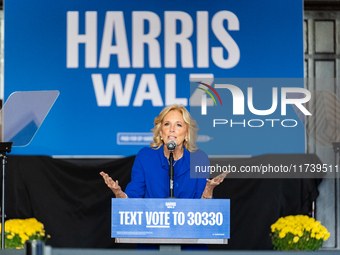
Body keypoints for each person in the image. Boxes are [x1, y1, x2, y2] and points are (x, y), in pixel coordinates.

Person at [100, 105, 227, 198]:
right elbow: (132, 200)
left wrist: (208, 191)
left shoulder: (199, 158)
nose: (172, 129)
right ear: (161, 132)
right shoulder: (145, 156)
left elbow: (203, 206)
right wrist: (119, 194)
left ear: (187, 133)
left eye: (178, 125)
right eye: (167, 124)